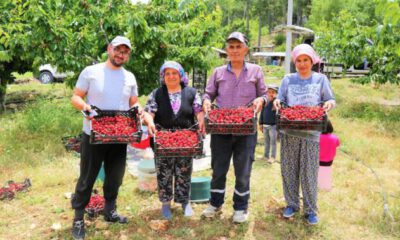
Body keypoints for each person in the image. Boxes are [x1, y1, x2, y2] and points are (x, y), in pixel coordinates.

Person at [70, 36, 138, 240]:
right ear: (109, 49)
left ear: (128, 55)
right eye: (118, 50)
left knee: (115, 176)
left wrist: (138, 110)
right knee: (87, 177)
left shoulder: (130, 77)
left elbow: (133, 102)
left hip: (119, 135)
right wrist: (86, 107)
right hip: (94, 134)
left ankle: (110, 211)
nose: (121, 54)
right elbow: (75, 97)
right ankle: (79, 218)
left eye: (125, 51)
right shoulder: (92, 72)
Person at [201, 31, 267, 223]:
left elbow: (263, 94)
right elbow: (208, 94)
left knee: (243, 169)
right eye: (231, 46)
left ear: (245, 49)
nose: (235, 50)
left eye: (239, 46)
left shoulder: (256, 71)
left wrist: (260, 101)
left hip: (246, 129)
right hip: (221, 128)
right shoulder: (218, 72)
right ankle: (215, 203)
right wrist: (206, 102)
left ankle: (240, 207)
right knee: (218, 168)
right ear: (226, 50)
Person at [274, 44, 336, 225]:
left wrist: (329, 104)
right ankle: (292, 204)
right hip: (290, 130)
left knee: (309, 172)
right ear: (294, 62)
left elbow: (330, 99)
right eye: (299, 60)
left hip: (311, 132)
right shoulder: (287, 79)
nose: (302, 64)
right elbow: (281, 99)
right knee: (289, 170)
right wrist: (278, 101)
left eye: (305, 60)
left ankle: (310, 210)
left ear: (312, 61)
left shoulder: (320, 79)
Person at [143, 61, 205, 220]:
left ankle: (184, 202)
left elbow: (198, 111)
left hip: (186, 139)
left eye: (174, 73)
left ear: (181, 75)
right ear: (163, 76)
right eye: (167, 73)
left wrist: (201, 122)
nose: (171, 76)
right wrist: (150, 122)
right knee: (164, 172)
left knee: (184, 171)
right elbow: (149, 112)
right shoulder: (157, 93)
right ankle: (165, 203)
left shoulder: (191, 93)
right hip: (163, 140)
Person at [259, 84, 279, 164]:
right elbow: (262, 113)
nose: (271, 94)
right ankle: (265, 155)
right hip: (265, 125)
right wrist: (260, 123)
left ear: (276, 93)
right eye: (269, 92)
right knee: (266, 141)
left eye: (273, 92)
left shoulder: (276, 102)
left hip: (273, 126)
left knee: (273, 142)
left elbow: (279, 114)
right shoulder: (265, 102)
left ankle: (273, 157)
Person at [318, 120, 340, 191]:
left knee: (317, 172)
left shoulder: (317, 138)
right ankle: (326, 186)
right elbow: (337, 145)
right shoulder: (335, 137)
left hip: (318, 159)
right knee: (326, 172)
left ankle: (318, 186)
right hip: (329, 159)